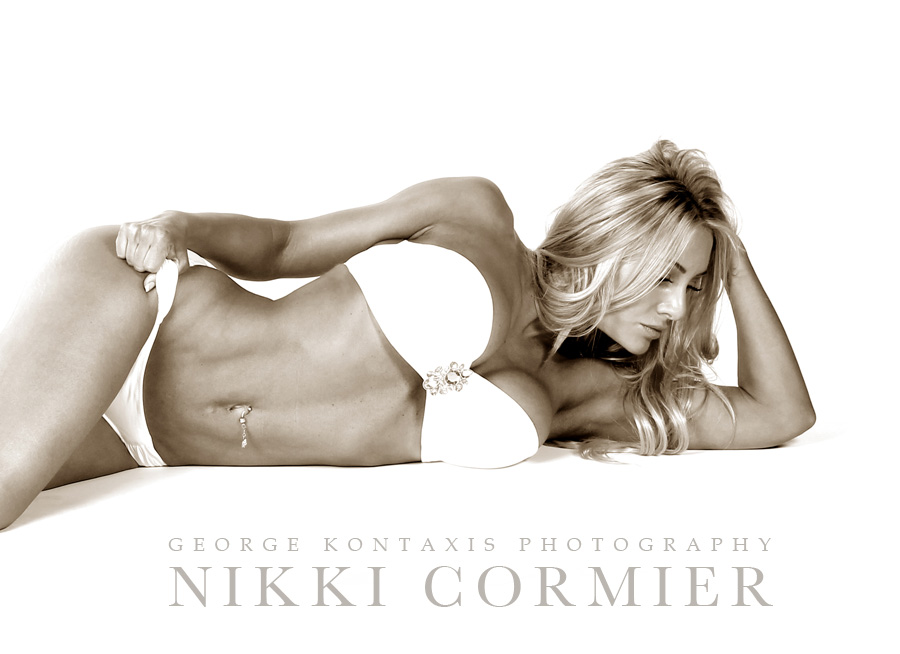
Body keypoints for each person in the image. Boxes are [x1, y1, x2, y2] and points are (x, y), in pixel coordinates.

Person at [0, 141, 815, 530]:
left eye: (696, 287)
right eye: (667, 276)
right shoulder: (472, 215)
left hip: (144, 444)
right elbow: (284, 245)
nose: (678, 309)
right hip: (143, 311)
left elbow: (781, 414)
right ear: (613, 243)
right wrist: (176, 224)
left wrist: (730, 252)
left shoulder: (593, 393)